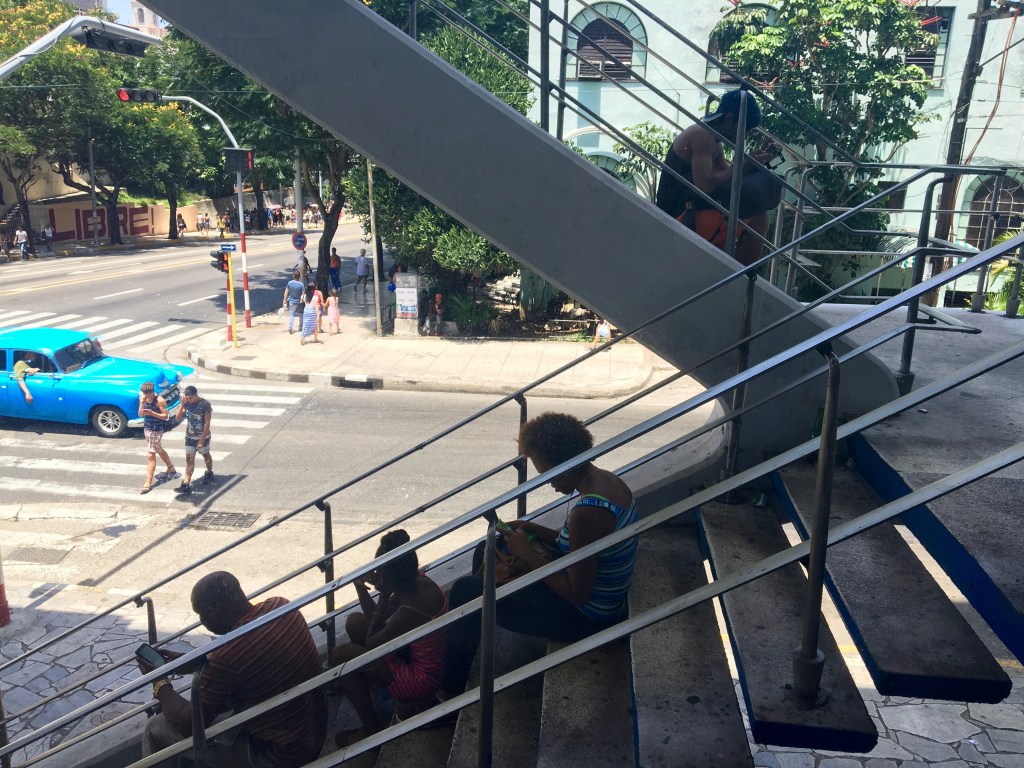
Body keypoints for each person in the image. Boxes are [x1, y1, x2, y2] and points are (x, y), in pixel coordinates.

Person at [439, 412, 638, 700]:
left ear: (565, 465)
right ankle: (477, 623)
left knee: (465, 593)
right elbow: (577, 546)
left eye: (546, 473)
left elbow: (577, 593)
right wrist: (533, 530)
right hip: (594, 593)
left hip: (587, 617)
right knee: (488, 547)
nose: (547, 482)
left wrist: (526, 554)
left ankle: (447, 694)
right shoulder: (604, 480)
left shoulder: (588, 512)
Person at [139, 571, 327, 768]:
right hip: (313, 729)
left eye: (203, 613)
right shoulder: (280, 605)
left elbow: (189, 727)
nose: (203, 620)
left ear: (215, 610)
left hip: (280, 756)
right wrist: (192, 663)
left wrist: (160, 682)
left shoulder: (227, 658)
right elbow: (249, 655)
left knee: (155, 728)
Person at [328, 530, 447, 746]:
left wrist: (383, 594)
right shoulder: (417, 583)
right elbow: (379, 623)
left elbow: (373, 641)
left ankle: (371, 731)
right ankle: (369, 683)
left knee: (340, 656)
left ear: (390, 577)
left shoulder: (411, 609)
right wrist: (362, 590)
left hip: (421, 680)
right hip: (412, 654)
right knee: (354, 621)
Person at [655, 88, 781, 266]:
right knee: (758, 218)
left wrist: (756, 161)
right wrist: (745, 165)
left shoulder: (713, 138)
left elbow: (727, 174)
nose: (744, 137)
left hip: (694, 205)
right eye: (745, 130)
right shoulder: (702, 135)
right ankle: (738, 276)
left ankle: (735, 273)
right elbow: (705, 185)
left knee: (757, 213)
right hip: (679, 213)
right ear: (729, 119)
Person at [138, 382, 178, 495]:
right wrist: (141, 404)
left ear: (153, 391)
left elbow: (166, 416)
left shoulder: (159, 400)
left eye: (149, 392)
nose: (147, 394)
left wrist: (152, 413)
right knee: (158, 448)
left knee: (151, 455)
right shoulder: (143, 398)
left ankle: (148, 482)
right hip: (147, 428)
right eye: (145, 392)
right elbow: (140, 415)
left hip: (156, 429)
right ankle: (171, 467)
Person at [174, 385, 214, 497]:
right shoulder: (186, 403)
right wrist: (182, 405)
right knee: (189, 460)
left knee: (205, 454)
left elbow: (207, 423)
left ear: (196, 395)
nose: (189, 400)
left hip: (202, 436)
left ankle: (209, 472)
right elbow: (177, 417)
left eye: (190, 398)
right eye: (187, 399)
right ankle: (186, 483)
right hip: (189, 436)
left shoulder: (205, 404)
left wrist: (201, 440)